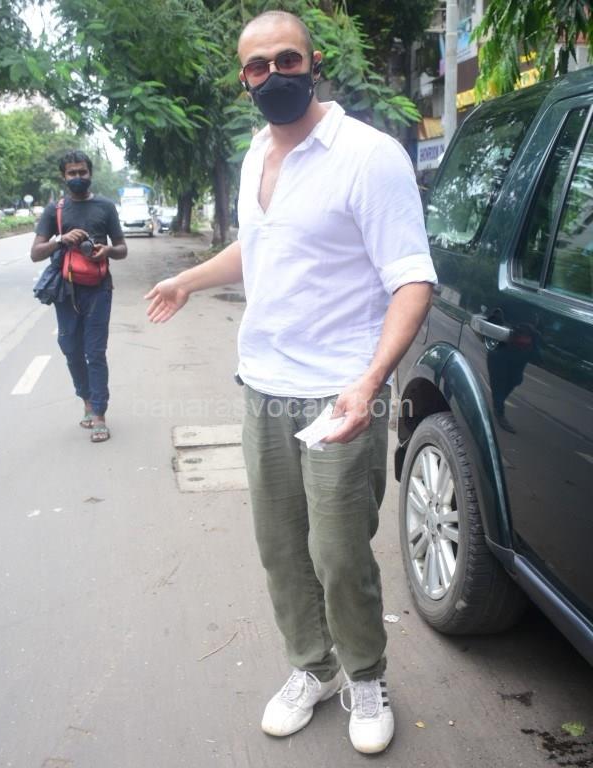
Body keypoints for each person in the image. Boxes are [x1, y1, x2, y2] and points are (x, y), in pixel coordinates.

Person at [145, 11, 436, 754]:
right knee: (281, 549)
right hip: (264, 385)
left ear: (315, 63)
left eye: (286, 60)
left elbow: (411, 279)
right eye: (257, 66)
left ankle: (365, 675)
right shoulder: (255, 156)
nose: (272, 75)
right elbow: (258, 246)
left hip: (341, 392)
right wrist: (187, 280)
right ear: (243, 80)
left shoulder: (368, 157)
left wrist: (370, 381)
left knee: (339, 554)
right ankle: (314, 667)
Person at [31, 150, 127, 443]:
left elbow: (122, 248)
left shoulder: (105, 207)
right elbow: (35, 253)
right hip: (66, 291)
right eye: (72, 173)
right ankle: (86, 400)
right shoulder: (55, 211)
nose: (77, 177)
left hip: (99, 289)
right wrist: (61, 240)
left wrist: (107, 250)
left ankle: (99, 414)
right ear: (64, 176)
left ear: (90, 173)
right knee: (71, 349)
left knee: (94, 352)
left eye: (82, 172)